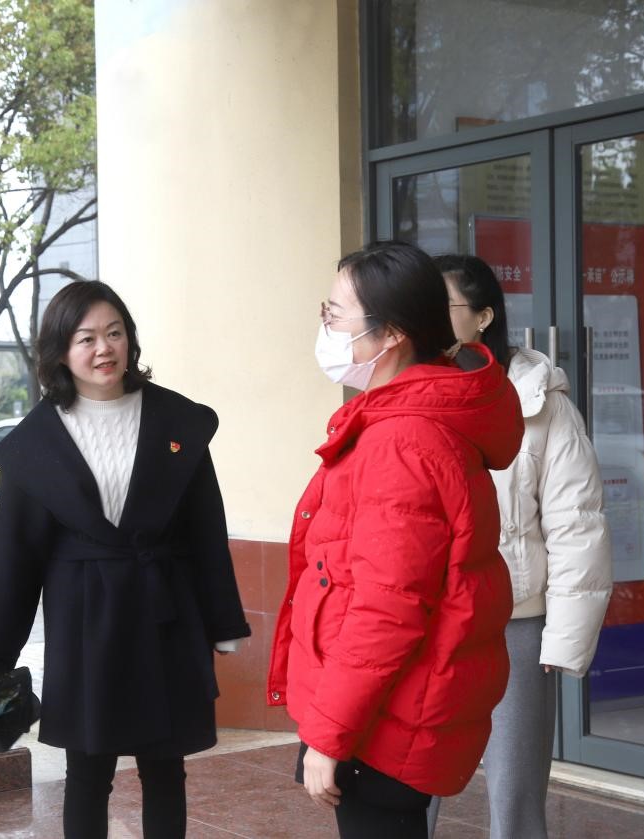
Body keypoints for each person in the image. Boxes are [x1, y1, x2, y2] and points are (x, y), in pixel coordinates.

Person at [0, 280, 251, 839]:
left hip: (165, 611)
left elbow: (205, 529)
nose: (104, 349)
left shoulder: (177, 420)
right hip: (86, 621)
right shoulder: (37, 442)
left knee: (165, 768)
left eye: (115, 333)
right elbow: (16, 557)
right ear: (60, 352)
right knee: (87, 771)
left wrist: (223, 622)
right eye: (86, 338)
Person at [267, 241, 525, 839]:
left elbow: (386, 610)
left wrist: (329, 735)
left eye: (336, 314)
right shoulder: (401, 421)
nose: (327, 328)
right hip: (383, 706)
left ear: (391, 335)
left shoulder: (402, 441)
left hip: (381, 720)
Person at [427, 254, 612, 839]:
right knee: (411, 778)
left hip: (513, 623)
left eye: (441, 305)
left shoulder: (542, 403)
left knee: (515, 791)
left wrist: (565, 637)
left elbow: (576, 524)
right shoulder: (413, 394)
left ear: (483, 317)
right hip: (427, 619)